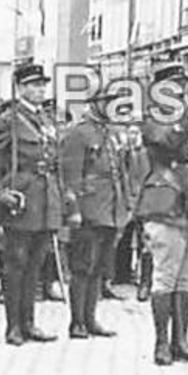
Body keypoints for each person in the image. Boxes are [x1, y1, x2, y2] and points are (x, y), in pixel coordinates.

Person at [134, 63, 188, 366]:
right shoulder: (153, 116)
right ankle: (162, 343)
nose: (179, 91)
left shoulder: (187, 115)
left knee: (185, 277)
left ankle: (181, 339)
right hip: (164, 200)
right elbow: (167, 142)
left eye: (182, 85)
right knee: (165, 276)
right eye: (173, 86)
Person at [0, 61, 66, 346]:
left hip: (45, 199)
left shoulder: (46, 120)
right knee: (15, 264)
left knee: (36, 265)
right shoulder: (9, 120)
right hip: (19, 199)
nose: (39, 90)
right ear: (20, 88)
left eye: (42, 85)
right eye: (33, 85)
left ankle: (29, 322)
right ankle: (13, 326)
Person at [58, 86, 129, 339]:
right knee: (82, 266)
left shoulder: (109, 132)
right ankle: (77, 322)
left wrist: (124, 206)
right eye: (106, 101)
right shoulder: (79, 133)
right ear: (94, 104)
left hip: (109, 207)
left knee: (99, 267)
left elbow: (121, 171)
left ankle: (90, 318)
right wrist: (73, 209)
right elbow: (70, 175)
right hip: (88, 207)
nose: (111, 106)